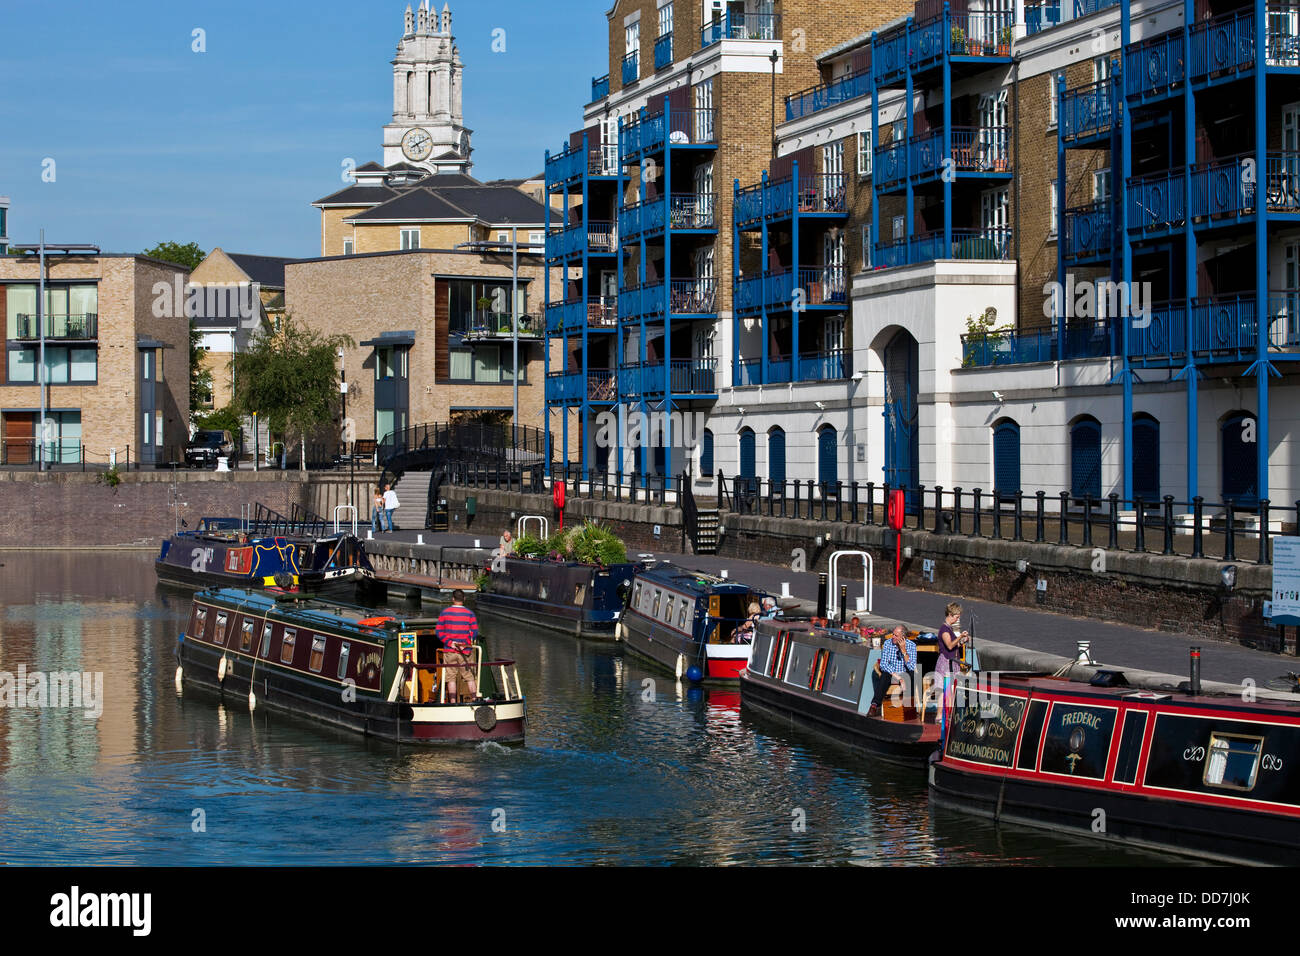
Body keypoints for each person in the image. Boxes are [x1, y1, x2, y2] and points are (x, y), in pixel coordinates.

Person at [435, 589, 479, 702]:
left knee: (451, 679)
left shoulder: (445, 613)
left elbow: (439, 632)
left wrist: (450, 643)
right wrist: (466, 644)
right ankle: (474, 700)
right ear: (464, 599)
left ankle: (453, 703)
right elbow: (474, 632)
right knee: (470, 677)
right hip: (465, 651)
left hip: (450, 651)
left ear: (452, 599)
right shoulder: (470, 614)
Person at [868, 625, 917, 717]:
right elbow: (883, 665)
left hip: (904, 672)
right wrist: (898, 678)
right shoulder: (887, 643)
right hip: (892, 673)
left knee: (912, 676)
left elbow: (911, 666)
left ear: (903, 637)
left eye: (896, 635)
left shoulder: (911, 646)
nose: (893, 637)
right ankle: (874, 705)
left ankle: (910, 707)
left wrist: (903, 651)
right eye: (893, 634)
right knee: (884, 675)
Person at [936, 601, 970, 679]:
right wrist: (960, 636)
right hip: (946, 663)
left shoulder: (949, 628)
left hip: (953, 661)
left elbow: (955, 645)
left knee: (952, 688)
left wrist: (962, 641)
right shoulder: (944, 630)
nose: (958, 619)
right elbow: (950, 646)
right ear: (950, 615)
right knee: (947, 689)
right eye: (957, 617)